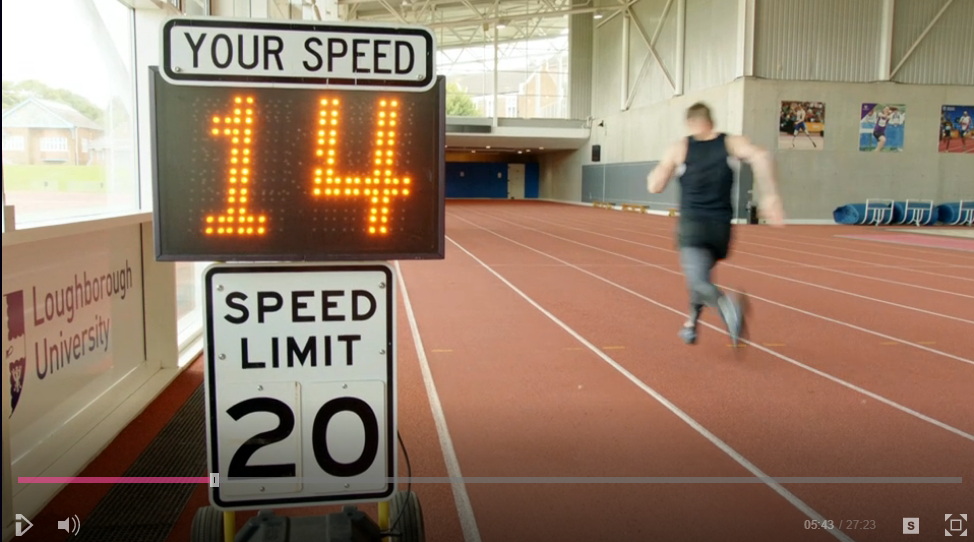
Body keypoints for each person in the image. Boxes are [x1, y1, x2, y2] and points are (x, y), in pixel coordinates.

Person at [646, 102, 785, 347]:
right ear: (711, 121)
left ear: (690, 123)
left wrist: (659, 172)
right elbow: (762, 156)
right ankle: (691, 323)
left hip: (693, 225)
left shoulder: (681, 147)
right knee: (701, 276)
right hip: (722, 228)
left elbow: (655, 186)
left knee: (698, 282)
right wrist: (770, 195)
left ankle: (727, 307)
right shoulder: (731, 143)